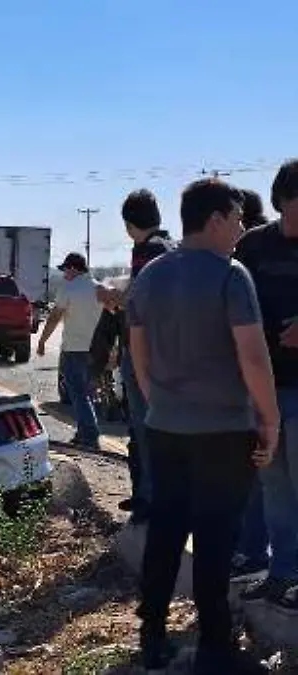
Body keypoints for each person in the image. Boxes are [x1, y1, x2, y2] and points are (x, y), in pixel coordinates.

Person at [127, 178, 278, 672]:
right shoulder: (230, 276)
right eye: (236, 219)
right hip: (223, 431)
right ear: (215, 219)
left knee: (167, 531)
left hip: (166, 428)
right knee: (216, 538)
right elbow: (254, 360)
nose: (241, 228)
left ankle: (152, 634)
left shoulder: (149, 276)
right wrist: (269, 421)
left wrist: (159, 404)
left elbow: (139, 354)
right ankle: (214, 645)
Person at [234, 160, 298, 613]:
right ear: (279, 202)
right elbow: (229, 298)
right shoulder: (254, 246)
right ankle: (281, 574)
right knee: (274, 485)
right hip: (265, 385)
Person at [116, 189, 176, 521]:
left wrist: (114, 297)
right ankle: (151, 495)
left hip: (144, 353)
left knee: (144, 428)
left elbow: (140, 301)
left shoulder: (147, 251)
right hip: (166, 351)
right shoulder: (170, 246)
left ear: (129, 224)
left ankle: (151, 499)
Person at [37, 252, 108, 450]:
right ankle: (83, 432)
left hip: (74, 349)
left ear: (74, 268)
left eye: (65, 270)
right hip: (95, 350)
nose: (64, 274)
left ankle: (90, 436)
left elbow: (54, 317)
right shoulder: (99, 288)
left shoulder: (69, 289)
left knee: (77, 394)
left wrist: (43, 341)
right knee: (87, 393)